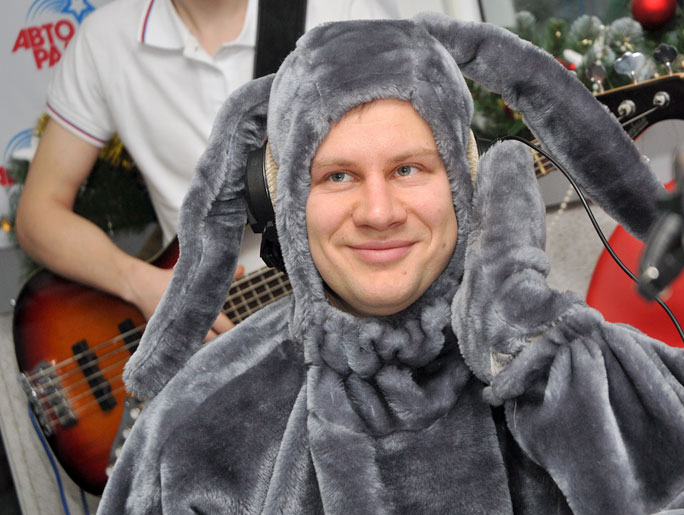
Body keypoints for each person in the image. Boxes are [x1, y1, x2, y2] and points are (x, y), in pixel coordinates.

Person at [93, 14, 684, 515]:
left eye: (408, 169)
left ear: (463, 181)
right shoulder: (193, 434)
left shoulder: (586, 362)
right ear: (283, 200)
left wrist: (546, 363)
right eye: (337, 176)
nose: (378, 211)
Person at [14, 0, 465, 339]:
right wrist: (142, 285)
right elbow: (38, 216)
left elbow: (425, 163)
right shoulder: (104, 40)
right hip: (215, 347)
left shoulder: (341, 10)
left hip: (360, 320)